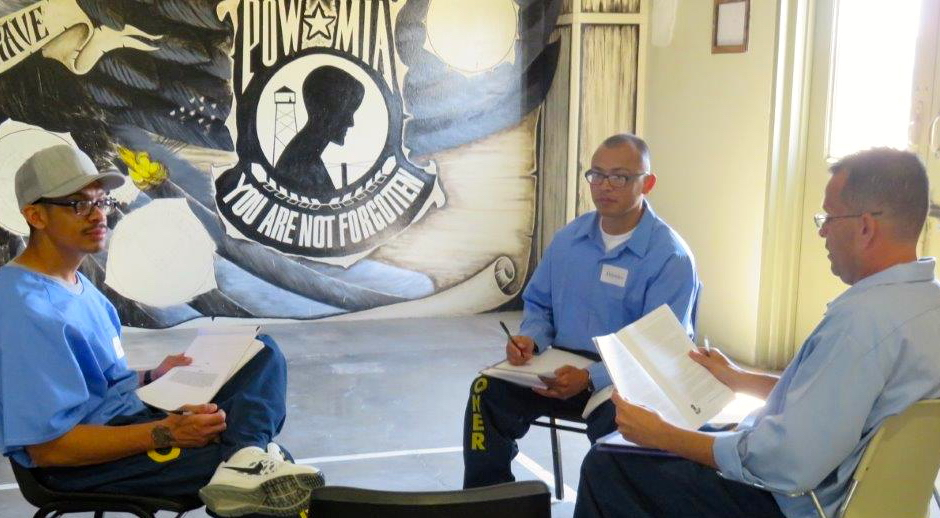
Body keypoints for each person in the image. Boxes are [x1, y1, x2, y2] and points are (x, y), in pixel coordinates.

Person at [573, 147, 940, 518]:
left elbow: (784, 463)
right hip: (873, 500)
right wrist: (740, 379)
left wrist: (663, 435)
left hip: (794, 502)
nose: (822, 231)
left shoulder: (860, 325)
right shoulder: (926, 303)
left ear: (865, 227)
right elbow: (834, 399)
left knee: (608, 463)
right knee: (698, 431)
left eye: (828, 217)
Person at [0, 144, 324, 517]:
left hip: (128, 416)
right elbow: (49, 449)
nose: (98, 215)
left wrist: (152, 376)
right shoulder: (23, 310)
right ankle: (243, 458)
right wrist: (168, 433)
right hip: (80, 466)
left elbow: (91, 382)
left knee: (260, 351)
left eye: (101, 201)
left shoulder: (78, 286)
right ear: (35, 215)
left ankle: (243, 457)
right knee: (269, 472)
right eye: (78, 205)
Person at [463, 133, 701, 488]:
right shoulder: (568, 240)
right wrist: (531, 339)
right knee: (486, 391)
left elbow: (658, 349)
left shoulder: (670, 258)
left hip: (623, 381)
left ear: (647, 183)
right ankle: (491, 500)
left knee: (616, 442)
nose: (605, 186)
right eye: (597, 175)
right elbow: (539, 304)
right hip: (556, 370)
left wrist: (591, 377)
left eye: (619, 177)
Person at [275, 65, 365, 196]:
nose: (351, 123)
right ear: (325, 113)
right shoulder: (301, 165)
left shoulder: (305, 158)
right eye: (346, 113)